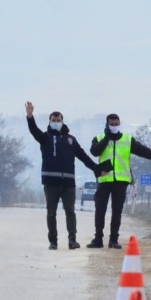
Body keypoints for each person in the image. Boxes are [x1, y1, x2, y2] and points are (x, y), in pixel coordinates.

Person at [87, 112, 151, 248]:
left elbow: (144, 151)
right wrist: (107, 138)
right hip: (104, 180)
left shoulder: (127, 140)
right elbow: (95, 152)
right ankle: (98, 239)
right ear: (107, 125)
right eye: (112, 124)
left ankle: (113, 240)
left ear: (119, 124)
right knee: (100, 210)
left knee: (117, 211)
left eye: (116, 124)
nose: (114, 126)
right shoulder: (99, 138)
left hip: (121, 181)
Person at [26, 101, 98, 249]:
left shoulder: (71, 139)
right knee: (51, 213)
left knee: (70, 212)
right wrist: (30, 116)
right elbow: (34, 131)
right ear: (50, 122)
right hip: (50, 183)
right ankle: (53, 241)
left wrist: (96, 168)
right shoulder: (45, 137)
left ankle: (72, 240)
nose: (56, 123)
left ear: (62, 121)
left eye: (58, 121)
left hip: (68, 184)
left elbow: (83, 156)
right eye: (53, 121)